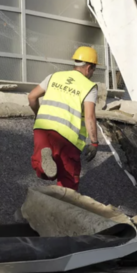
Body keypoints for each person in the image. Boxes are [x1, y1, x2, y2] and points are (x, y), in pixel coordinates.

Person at [28, 46, 100, 190]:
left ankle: (45, 159)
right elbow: (90, 117)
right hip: (67, 137)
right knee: (68, 180)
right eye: (93, 70)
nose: (92, 74)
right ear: (88, 67)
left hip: (42, 130)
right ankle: (64, 206)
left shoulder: (54, 76)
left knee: (43, 169)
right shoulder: (89, 86)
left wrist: (38, 115)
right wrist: (94, 142)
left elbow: (32, 97)